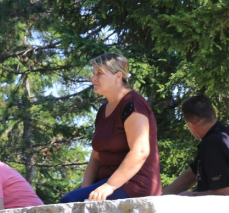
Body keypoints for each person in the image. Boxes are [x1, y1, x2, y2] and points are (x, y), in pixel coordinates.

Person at [60, 52, 161, 203]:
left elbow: (140, 151)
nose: (93, 78)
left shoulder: (133, 104)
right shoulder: (103, 110)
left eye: (99, 73)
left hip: (135, 185)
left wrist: (109, 186)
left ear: (118, 77)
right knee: (70, 203)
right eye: (93, 73)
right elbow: (96, 157)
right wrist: (81, 194)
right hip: (108, 185)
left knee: (67, 203)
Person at [162, 95, 229, 205]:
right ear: (214, 112)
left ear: (190, 125)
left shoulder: (212, 144)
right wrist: (161, 197)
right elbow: (191, 175)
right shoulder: (227, 136)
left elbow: (225, 194)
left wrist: (189, 196)